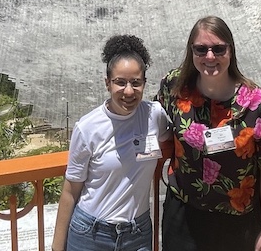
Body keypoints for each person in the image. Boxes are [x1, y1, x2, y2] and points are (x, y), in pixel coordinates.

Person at [156, 16, 261, 251]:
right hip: (183, 216)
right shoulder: (173, 87)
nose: (210, 57)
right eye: (201, 49)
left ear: (230, 51)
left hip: (237, 222)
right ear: (191, 52)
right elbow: (156, 121)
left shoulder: (259, 107)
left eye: (218, 49)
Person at [52, 35, 172, 251]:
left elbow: (175, 141)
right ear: (107, 83)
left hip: (137, 234)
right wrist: (57, 247)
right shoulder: (88, 127)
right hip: (90, 234)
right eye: (120, 82)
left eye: (136, 83)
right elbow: (70, 191)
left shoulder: (154, 115)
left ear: (144, 83)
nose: (128, 91)